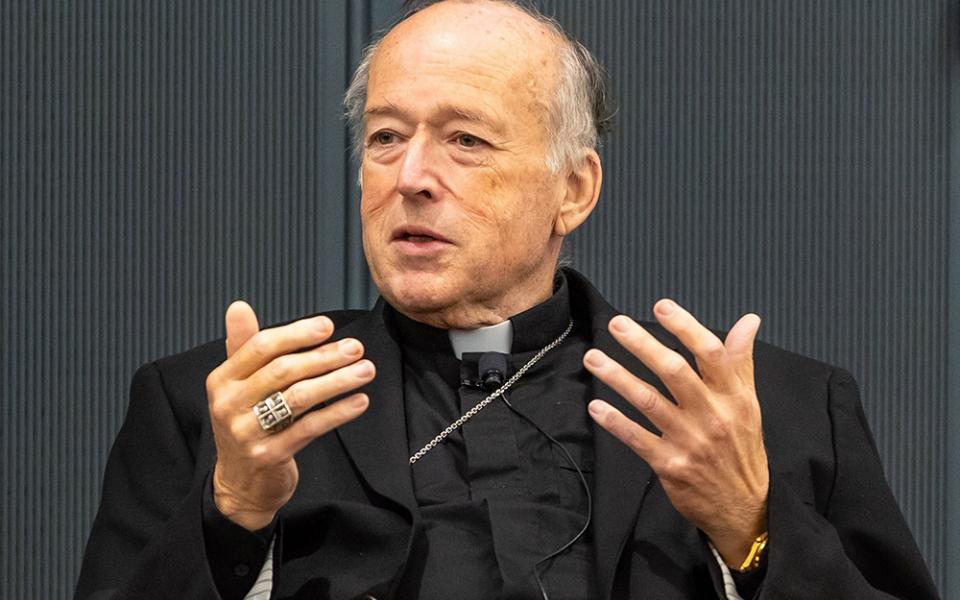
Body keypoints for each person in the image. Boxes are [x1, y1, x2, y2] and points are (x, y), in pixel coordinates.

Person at [74, 1, 939, 599]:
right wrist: (233, 517)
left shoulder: (767, 411)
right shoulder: (222, 407)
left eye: (465, 140)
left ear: (574, 189)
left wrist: (752, 528)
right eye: (384, 138)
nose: (411, 178)